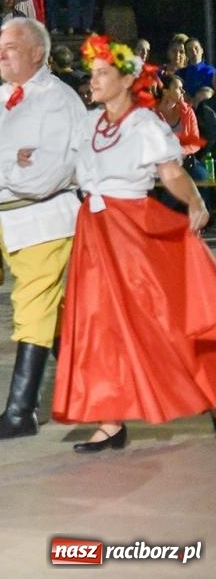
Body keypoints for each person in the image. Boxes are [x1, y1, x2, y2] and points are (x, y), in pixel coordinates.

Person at [52, 36, 216, 451]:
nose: (94, 80)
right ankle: (110, 419)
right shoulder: (89, 123)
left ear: (126, 79)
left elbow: (171, 172)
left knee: (163, 316)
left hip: (134, 226)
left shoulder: (145, 123)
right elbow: (64, 170)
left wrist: (194, 200)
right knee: (96, 323)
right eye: (93, 74)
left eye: (103, 73)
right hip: (95, 230)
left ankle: (210, 389)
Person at [0, 18, 88, 440]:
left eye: (11, 46)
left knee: (31, 309)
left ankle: (21, 412)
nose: (0, 53)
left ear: (38, 52)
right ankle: (99, 390)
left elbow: (53, 168)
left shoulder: (59, 99)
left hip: (45, 221)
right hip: (4, 226)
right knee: (54, 318)